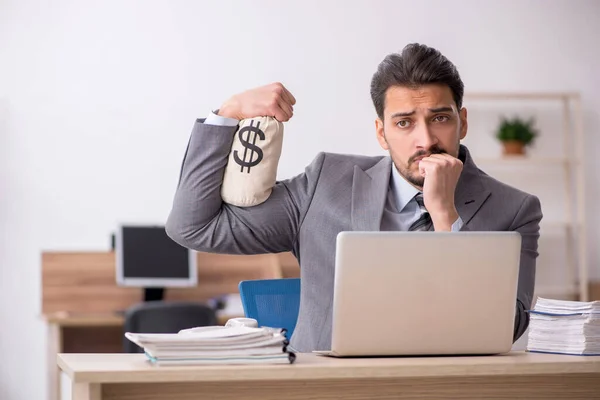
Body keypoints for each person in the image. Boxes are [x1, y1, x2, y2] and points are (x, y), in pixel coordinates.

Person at [166, 43, 543, 352]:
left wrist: (444, 215)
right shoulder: (326, 183)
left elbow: (506, 327)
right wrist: (227, 114)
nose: (425, 140)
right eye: (404, 122)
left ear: (463, 121)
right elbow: (194, 227)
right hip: (327, 389)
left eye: (440, 118)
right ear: (381, 133)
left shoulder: (515, 210)